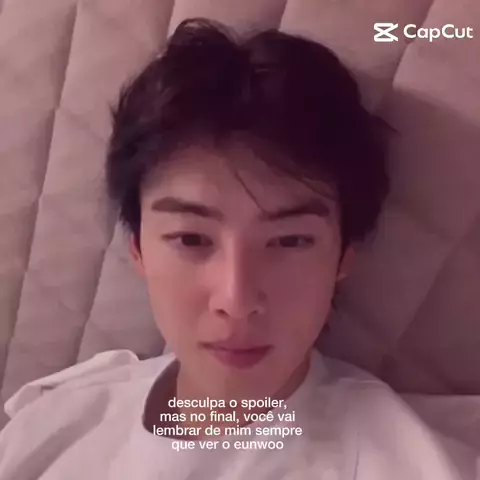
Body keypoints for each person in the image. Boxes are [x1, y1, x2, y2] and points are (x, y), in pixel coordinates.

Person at [0, 18, 469, 480]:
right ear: (138, 248)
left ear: (344, 255)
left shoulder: (401, 462)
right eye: (191, 239)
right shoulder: (56, 417)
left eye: (290, 240)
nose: (236, 301)